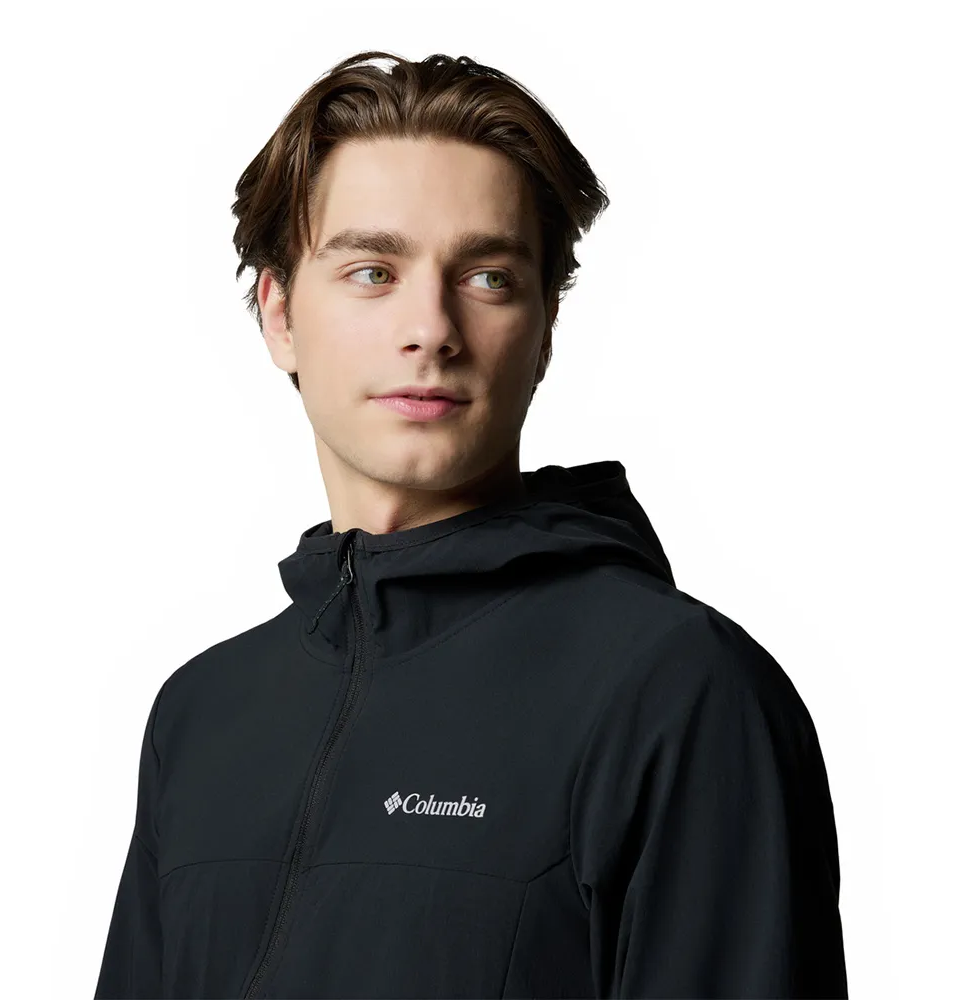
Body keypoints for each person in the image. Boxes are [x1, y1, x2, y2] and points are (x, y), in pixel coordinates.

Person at [94, 50, 848, 999]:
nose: (432, 329)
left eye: (489, 277)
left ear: (544, 328)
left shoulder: (675, 692)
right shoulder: (203, 713)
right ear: (279, 314)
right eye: (373, 271)